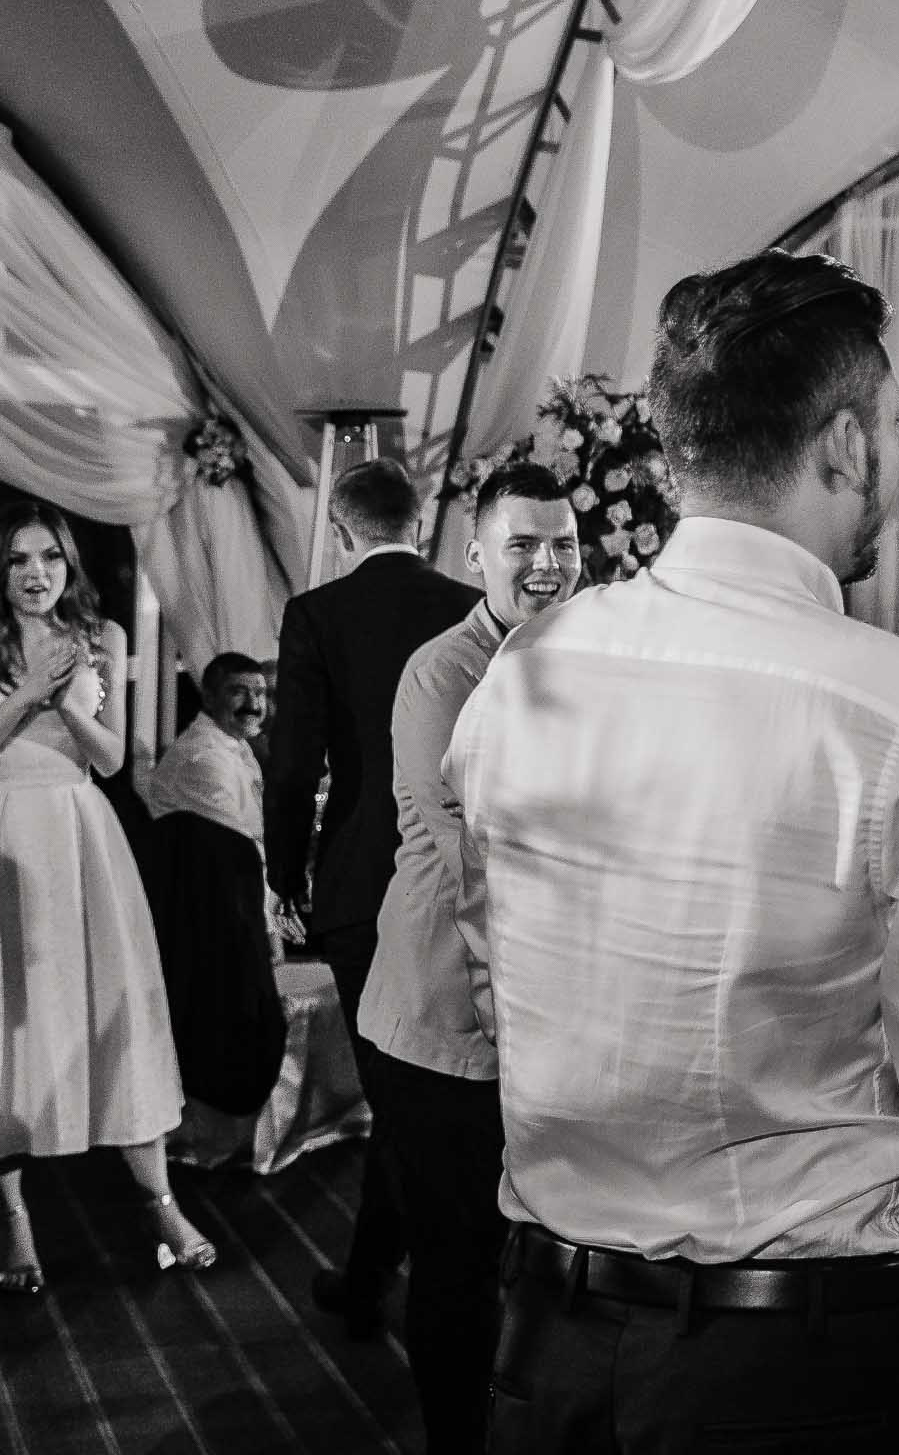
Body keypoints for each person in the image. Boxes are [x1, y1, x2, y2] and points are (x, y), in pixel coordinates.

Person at [450, 249, 899, 1452]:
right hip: (793, 1368)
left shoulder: (527, 670)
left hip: (543, 1343)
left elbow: (491, 977)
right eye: (896, 421)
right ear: (842, 444)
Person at [0, 501, 214, 1293]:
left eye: (51, 559)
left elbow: (113, 759)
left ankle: (160, 1203)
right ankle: (11, 1218)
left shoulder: (104, 639)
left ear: (69, 567)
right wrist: (25, 695)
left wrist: (63, 701)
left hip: (78, 834)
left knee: (105, 1011)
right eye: (21, 560)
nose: (36, 574)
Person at [361, 461, 580, 1453]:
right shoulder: (442, 672)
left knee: (537, 1250)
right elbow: (469, 849)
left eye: (563, 545)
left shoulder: (586, 657)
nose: (546, 563)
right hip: (442, 1013)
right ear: (477, 554)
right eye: (524, 545)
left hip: (551, 1012)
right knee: (454, 1258)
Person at [265, 457, 480, 1336]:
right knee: (446, 1079)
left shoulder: (317, 613)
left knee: (398, 1091)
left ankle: (437, 1280)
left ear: (343, 533)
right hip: (469, 873)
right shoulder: (468, 608)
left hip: (365, 877)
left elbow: (293, 764)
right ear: (420, 523)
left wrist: (286, 876)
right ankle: (390, 1271)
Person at [141, 652, 288, 1118]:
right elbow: (244, 854)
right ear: (207, 696)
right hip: (203, 921)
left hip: (223, 906)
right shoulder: (204, 758)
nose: (253, 704)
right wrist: (272, 923)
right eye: (239, 692)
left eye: (261, 693)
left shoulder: (234, 745)